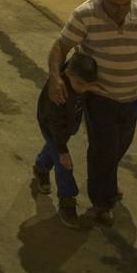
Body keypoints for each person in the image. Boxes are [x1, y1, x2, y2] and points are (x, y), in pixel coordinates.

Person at [47, 0, 137, 228]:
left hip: (131, 96)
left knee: (119, 147)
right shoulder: (85, 14)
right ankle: (103, 203)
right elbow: (60, 47)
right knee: (104, 149)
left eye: (125, 4)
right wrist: (55, 78)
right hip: (101, 98)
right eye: (114, 5)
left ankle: (102, 180)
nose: (121, 10)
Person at [33, 52, 98, 228]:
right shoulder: (58, 92)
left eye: (88, 86)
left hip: (67, 124)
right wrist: (62, 151)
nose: (83, 89)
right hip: (51, 125)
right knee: (64, 163)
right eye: (79, 84)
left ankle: (40, 167)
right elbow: (54, 124)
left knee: (53, 152)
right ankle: (67, 199)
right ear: (68, 73)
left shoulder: (78, 80)